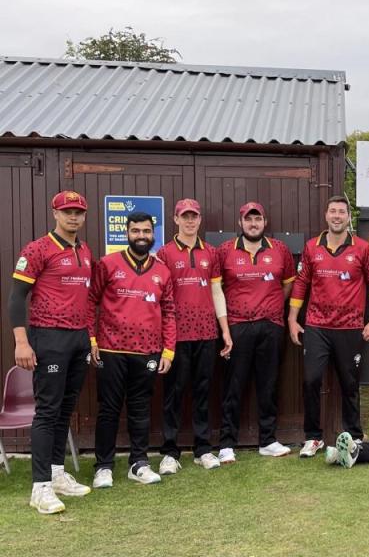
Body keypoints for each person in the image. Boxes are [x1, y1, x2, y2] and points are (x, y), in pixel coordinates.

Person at [8, 191, 94, 514]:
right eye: (67, 211)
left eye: (78, 212)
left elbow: (86, 300)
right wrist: (21, 341)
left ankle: (57, 474)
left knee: (64, 409)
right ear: (55, 213)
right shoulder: (38, 249)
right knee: (47, 411)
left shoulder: (84, 251)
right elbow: (17, 298)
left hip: (78, 340)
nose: (73, 217)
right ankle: (40, 487)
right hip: (48, 337)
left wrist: (90, 339)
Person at [288, 195, 369, 458]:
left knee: (349, 383)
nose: (337, 216)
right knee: (310, 380)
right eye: (333, 211)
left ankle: (354, 435)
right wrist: (292, 318)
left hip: (351, 327)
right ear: (326, 215)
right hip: (316, 326)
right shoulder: (311, 247)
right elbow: (300, 284)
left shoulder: (362, 248)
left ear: (348, 217)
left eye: (342, 212)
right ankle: (313, 437)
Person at [90, 211, 176, 488]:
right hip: (111, 350)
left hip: (148, 351)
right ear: (127, 233)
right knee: (109, 410)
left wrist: (168, 350)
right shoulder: (108, 263)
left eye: (146, 231)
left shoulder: (162, 270)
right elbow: (90, 302)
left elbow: (170, 311)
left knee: (140, 410)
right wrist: (92, 341)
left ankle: (138, 463)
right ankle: (103, 466)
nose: (141, 236)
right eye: (136, 231)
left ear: (154, 234)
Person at [155, 199, 233, 474]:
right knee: (173, 394)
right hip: (176, 336)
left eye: (194, 216)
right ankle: (169, 452)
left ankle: (202, 449)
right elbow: (160, 296)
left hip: (205, 332)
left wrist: (224, 330)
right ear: (175, 219)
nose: (190, 221)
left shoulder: (211, 253)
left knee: (202, 391)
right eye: (184, 216)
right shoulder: (163, 254)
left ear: (200, 219)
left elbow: (216, 292)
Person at [215, 201, 296, 462]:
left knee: (268, 384)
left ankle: (267, 440)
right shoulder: (225, 250)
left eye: (257, 219)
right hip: (237, 326)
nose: (253, 224)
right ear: (240, 223)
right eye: (248, 220)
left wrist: (270, 308)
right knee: (233, 386)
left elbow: (287, 286)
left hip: (271, 325)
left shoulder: (280, 249)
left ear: (264, 222)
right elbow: (217, 289)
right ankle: (227, 443)